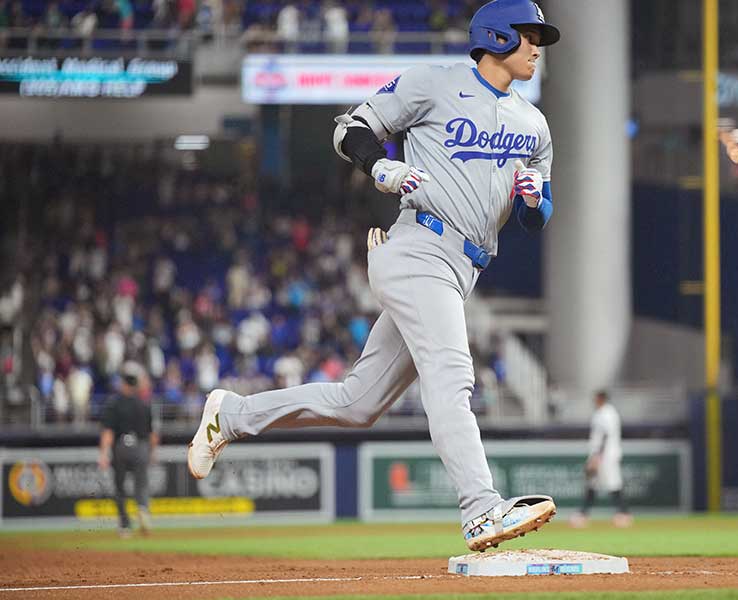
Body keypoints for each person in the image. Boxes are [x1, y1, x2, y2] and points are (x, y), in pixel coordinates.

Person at [188, 0, 560, 552]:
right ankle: (481, 509)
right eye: (531, 35)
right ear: (498, 35)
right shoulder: (434, 82)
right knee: (452, 374)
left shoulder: (534, 123)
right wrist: (380, 164)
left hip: (463, 270)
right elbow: (352, 128)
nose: (538, 47)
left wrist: (533, 202)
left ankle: (234, 415)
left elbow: (539, 214)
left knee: (357, 403)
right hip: (418, 250)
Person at [99, 361, 158, 538]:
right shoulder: (144, 404)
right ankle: (142, 508)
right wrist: (153, 452)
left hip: (121, 448)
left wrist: (103, 453)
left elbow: (108, 432)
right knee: (141, 485)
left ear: (123, 383)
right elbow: (152, 434)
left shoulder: (113, 404)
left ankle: (125, 525)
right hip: (140, 447)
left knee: (119, 488)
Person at [569, 390, 633, 528]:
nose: (594, 401)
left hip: (606, 455)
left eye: (596, 399)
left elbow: (606, 434)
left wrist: (597, 456)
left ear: (601, 399)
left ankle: (623, 514)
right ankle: (583, 514)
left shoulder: (607, 413)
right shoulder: (602, 413)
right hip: (602, 454)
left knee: (613, 483)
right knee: (592, 483)